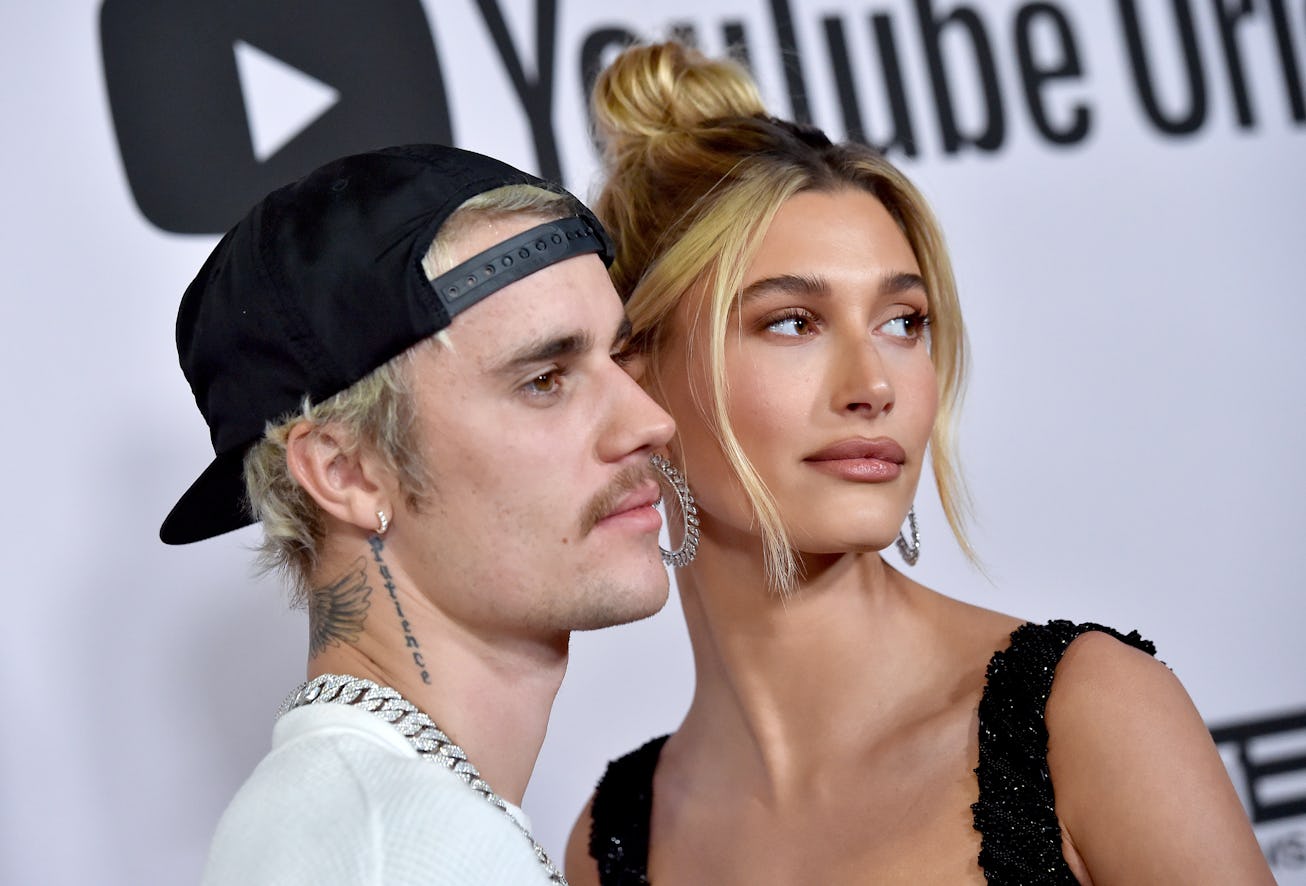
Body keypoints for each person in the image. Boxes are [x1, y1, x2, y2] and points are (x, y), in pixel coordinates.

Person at [565, 43, 1273, 885]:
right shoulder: (616, 841)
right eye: (792, 322)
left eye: (904, 322)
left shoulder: (1082, 717)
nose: (873, 386)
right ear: (637, 374)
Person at [160, 143, 678, 885]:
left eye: (617, 359)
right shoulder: (407, 848)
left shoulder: (376, 819)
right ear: (347, 472)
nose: (650, 422)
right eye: (544, 379)